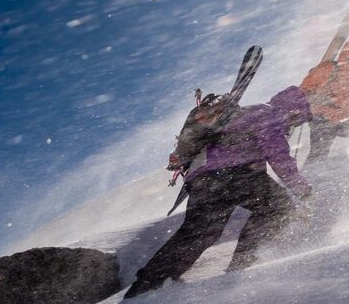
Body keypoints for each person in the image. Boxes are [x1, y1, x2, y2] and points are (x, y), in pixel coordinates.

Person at [124, 86, 313, 299]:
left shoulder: (244, 113)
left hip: (202, 178)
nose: (295, 126)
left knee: (200, 234)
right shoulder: (268, 114)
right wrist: (302, 189)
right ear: (294, 110)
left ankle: (148, 284)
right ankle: (243, 264)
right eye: (298, 120)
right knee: (279, 207)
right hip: (236, 174)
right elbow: (278, 156)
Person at [300, 40, 349, 164]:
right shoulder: (328, 68)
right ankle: (310, 176)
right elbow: (304, 90)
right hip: (322, 118)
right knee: (319, 153)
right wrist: (318, 99)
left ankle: (339, 172)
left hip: (341, 120)